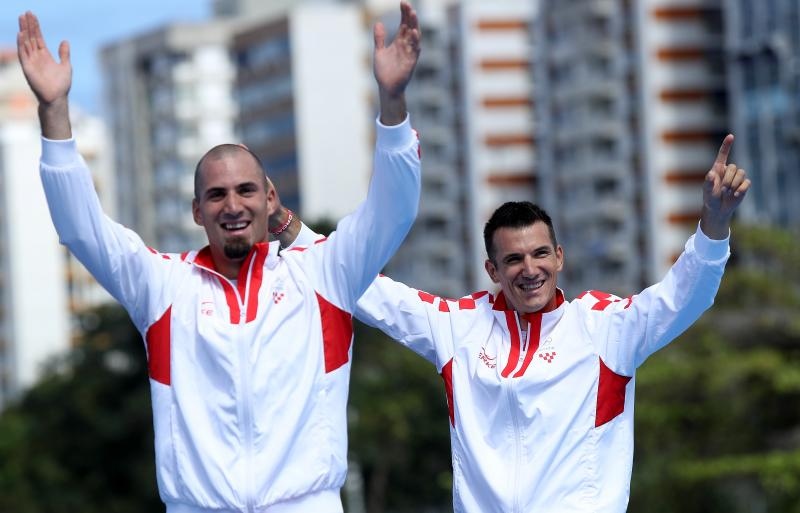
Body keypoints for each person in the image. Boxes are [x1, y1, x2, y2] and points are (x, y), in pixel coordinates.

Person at [18, 3, 421, 512]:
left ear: (270, 198)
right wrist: (54, 111)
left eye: (246, 190)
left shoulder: (323, 273)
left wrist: (393, 101)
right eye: (216, 195)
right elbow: (82, 229)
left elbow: (394, 211)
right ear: (196, 211)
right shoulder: (163, 285)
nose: (233, 205)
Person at [274, 137, 750, 512]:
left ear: (559, 257)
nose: (530, 268)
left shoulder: (606, 328)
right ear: (493, 270)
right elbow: (370, 289)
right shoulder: (459, 328)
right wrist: (288, 228)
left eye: (541, 253)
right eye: (514, 259)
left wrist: (713, 223)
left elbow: (684, 296)